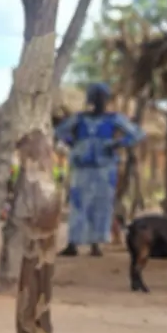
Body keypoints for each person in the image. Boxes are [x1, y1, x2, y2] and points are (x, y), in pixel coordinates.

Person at [52, 82, 142, 257]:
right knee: (78, 204)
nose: (99, 101)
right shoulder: (79, 119)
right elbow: (59, 132)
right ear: (90, 99)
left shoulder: (114, 119)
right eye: (96, 97)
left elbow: (137, 134)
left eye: (102, 97)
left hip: (105, 169)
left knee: (101, 206)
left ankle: (96, 244)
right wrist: (73, 144)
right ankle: (73, 243)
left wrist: (118, 144)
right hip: (82, 167)